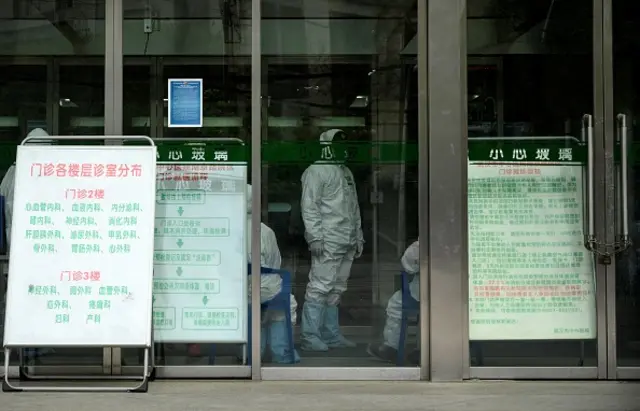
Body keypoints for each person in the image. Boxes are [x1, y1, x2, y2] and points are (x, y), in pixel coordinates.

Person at [299, 128, 364, 352]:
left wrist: (358, 236)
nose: (342, 148)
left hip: (346, 239)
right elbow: (309, 206)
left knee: (337, 288)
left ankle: (331, 335)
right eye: (337, 144)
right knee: (320, 286)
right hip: (328, 238)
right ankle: (310, 336)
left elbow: (354, 207)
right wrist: (315, 237)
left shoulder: (345, 171)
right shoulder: (316, 171)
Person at [246, 184, 300, 363]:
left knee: (254, 308)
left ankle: (253, 351)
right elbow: (274, 261)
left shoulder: (227, 228)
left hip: (236, 289)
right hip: (262, 286)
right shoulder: (264, 230)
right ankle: (280, 351)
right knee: (283, 306)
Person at [367, 240, 419, 363]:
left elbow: (410, 265)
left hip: (428, 289)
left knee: (396, 304)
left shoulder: (426, 240)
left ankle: (391, 347)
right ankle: (422, 349)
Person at [0, 128, 51, 249]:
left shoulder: (14, 169)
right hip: (40, 234)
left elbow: (2, 195)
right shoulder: (51, 171)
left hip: (14, 233)